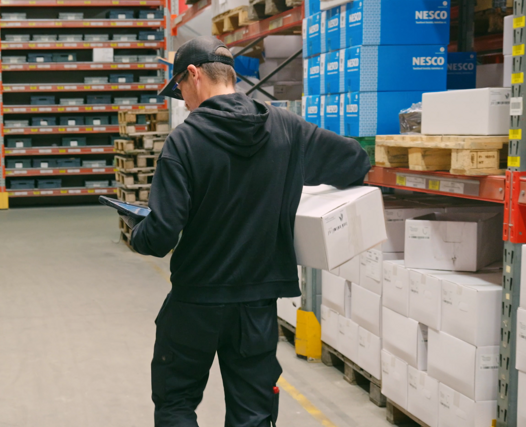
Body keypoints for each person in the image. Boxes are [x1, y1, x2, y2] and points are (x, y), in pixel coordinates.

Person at [126, 36, 371, 427]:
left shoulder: (184, 143)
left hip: (196, 300)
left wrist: (138, 230)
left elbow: (161, 237)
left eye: (181, 91)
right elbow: (354, 161)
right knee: (253, 414)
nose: (183, 102)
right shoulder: (287, 129)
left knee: (176, 404)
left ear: (194, 75)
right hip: (256, 305)